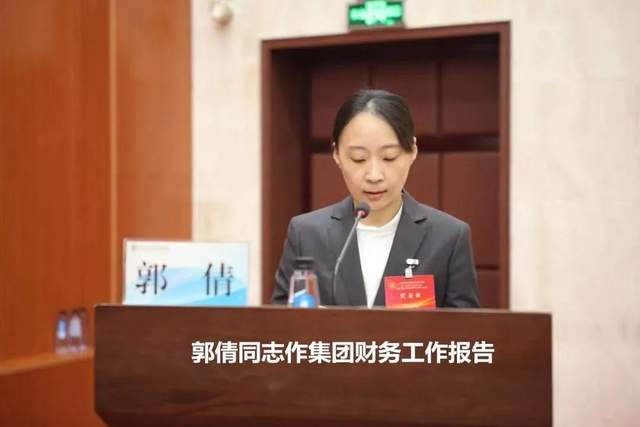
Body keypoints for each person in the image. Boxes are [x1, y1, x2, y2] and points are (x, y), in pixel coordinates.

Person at [272, 89, 480, 308]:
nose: (374, 175)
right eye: (358, 159)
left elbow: (465, 328)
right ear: (336, 154)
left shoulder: (448, 237)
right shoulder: (306, 234)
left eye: (389, 157)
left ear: (413, 151)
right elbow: (279, 323)